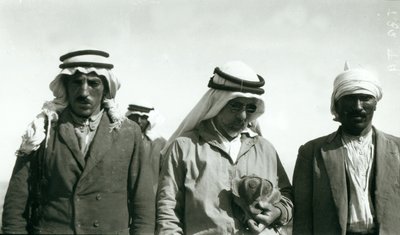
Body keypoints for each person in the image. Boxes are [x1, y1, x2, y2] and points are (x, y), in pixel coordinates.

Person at [2, 49, 155, 234]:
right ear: (65, 86)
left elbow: (143, 206)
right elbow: (15, 204)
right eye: (76, 82)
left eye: (93, 83)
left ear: (106, 89)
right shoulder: (43, 129)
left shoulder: (128, 132)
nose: (84, 92)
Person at [156, 61, 293, 234]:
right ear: (217, 103)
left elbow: (287, 196)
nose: (243, 116)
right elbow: (168, 215)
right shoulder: (184, 148)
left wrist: (278, 211)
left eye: (250, 108)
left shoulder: (265, 149)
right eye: (235, 106)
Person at [292, 62, 400, 235]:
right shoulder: (311, 152)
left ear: (375, 103)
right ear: (337, 104)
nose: (358, 106)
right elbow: (302, 219)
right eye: (349, 98)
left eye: (365, 98)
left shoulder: (397, 149)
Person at [126, 104, 166, 193]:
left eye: (143, 117)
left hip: (150, 195)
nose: (139, 121)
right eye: (136, 116)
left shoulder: (161, 144)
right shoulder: (120, 139)